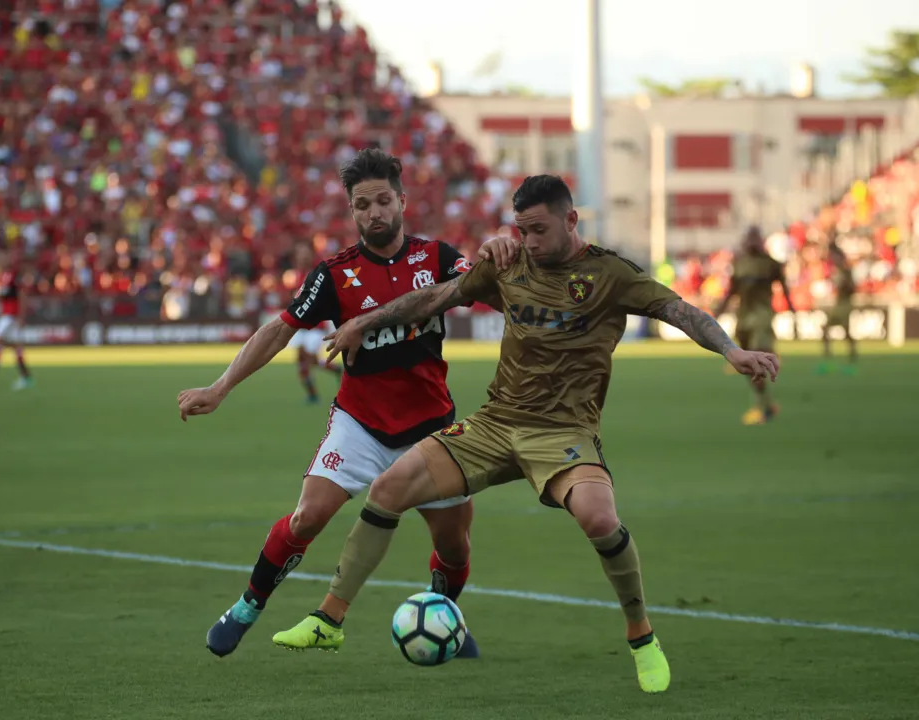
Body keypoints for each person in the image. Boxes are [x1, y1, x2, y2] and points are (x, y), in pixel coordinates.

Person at [271, 175, 780, 695]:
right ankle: (329, 620)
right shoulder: (509, 263)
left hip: (563, 431)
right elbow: (433, 298)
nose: (530, 242)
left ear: (570, 220)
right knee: (387, 490)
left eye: (539, 230)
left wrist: (731, 350)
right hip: (496, 423)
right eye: (522, 230)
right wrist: (366, 323)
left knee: (601, 519)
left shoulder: (610, 274)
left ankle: (641, 635)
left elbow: (681, 311)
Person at [177, 148, 516, 659]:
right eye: (363, 205)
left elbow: (494, 290)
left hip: (431, 430)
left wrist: (499, 256)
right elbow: (278, 331)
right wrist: (220, 387)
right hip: (360, 424)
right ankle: (246, 608)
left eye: (383, 201)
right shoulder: (335, 274)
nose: (374, 212)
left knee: (454, 546)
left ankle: (444, 617)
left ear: (402, 201)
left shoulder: (438, 259)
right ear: (352, 211)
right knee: (307, 517)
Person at [715, 227, 794, 425]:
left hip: (762, 316)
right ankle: (766, 402)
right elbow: (732, 290)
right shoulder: (739, 263)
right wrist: (719, 311)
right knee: (745, 361)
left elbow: (784, 287)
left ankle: (764, 407)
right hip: (743, 319)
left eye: (754, 239)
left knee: (755, 359)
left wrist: (792, 308)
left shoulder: (771, 265)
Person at [287, 245, 343, 403]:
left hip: (315, 326)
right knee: (301, 360)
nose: (303, 258)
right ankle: (313, 393)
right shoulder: (294, 276)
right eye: (300, 255)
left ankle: (333, 372)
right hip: (299, 325)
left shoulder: (317, 275)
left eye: (305, 255)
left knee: (308, 359)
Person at [818, 243, 858, 374]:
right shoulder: (838, 270)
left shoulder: (845, 270)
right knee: (835, 329)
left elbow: (852, 288)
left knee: (843, 330)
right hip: (840, 304)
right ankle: (834, 354)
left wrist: (842, 285)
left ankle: (847, 354)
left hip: (844, 305)